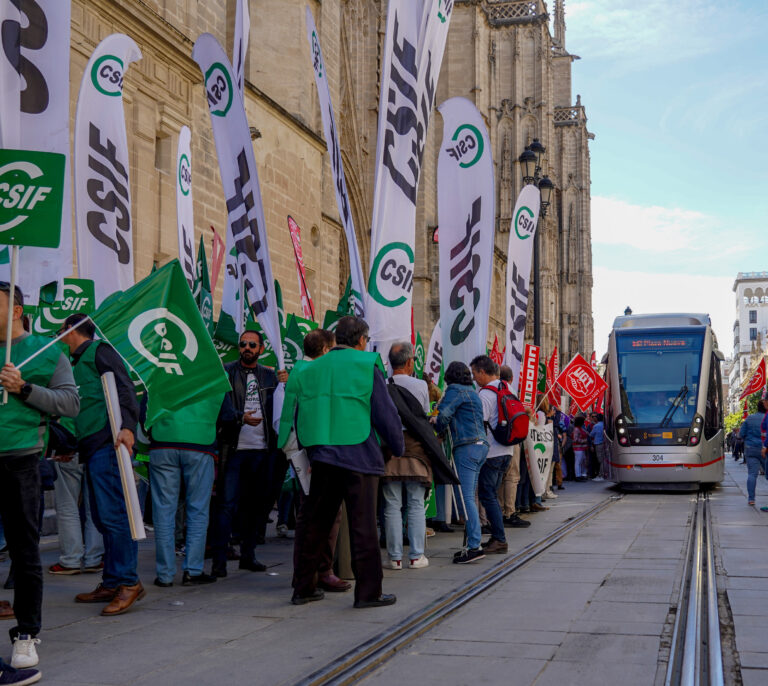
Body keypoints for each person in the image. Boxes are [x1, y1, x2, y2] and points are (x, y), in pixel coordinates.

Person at [282, 316, 404, 607]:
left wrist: (309, 452)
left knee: (314, 525)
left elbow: (301, 413)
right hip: (358, 452)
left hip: (322, 455)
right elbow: (383, 411)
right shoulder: (365, 364)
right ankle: (368, 593)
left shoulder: (311, 368)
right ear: (362, 340)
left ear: (336, 340)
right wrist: (397, 445)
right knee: (363, 527)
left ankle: (303, 587)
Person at [0, 282, 80, 680]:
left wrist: (24, 388)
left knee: (25, 553)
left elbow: (70, 403)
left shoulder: (48, 352)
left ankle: (26, 634)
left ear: (15, 310)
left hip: (21, 464)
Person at [59, 313, 143, 617]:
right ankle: (112, 580)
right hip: (91, 446)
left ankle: (129, 582)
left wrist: (129, 427)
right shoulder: (77, 362)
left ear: (69, 331)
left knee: (115, 515)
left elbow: (125, 388)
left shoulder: (100, 351)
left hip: (109, 444)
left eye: (61, 332)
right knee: (102, 516)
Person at [211, 329, 287, 577]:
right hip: (233, 449)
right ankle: (219, 561)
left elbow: (282, 407)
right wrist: (238, 417)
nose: (247, 348)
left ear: (261, 349)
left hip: (262, 451)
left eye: (252, 345)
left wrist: (287, 382)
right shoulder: (227, 371)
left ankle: (248, 555)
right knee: (226, 506)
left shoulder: (269, 376)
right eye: (243, 344)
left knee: (255, 507)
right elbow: (218, 409)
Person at [143, 391, 236, 587]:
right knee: (198, 510)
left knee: (163, 511)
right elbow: (227, 416)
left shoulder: (159, 367)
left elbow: (144, 412)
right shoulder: (214, 371)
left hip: (163, 442)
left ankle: (165, 574)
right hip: (200, 443)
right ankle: (192, 571)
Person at [286, 329, 351, 593]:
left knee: (309, 514)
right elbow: (309, 415)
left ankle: (309, 573)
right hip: (315, 453)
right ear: (325, 350)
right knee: (323, 514)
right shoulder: (314, 374)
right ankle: (319, 571)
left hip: (304, 451)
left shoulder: (298, 372)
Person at [433, 361, 488, 564]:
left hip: (466, 446)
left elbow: (444, 415)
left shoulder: (454, 390)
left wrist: (436, 425)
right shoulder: (472, 392)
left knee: (465, 499)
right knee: (471, 497)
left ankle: (474, 546)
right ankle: (471, 544)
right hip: (480, 445)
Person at [470, 355, 515, 554]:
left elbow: (479, 423)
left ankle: (499, 539)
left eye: (474, 374)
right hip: (508, 450)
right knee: (492, 495)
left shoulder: (485, 395)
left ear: (482, 371)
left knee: (487, 495)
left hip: (492, 451)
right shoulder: (507, 388)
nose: (473, 378)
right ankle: (497, 537)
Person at [48, 418, 104, 576]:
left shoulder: (63, 391)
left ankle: (70, 560)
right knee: (94, 506)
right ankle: (94, 558)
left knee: (67, 506)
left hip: (67, 445)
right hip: (94, 444)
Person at [739, 400, 767, 506]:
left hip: (751, 448)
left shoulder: (749, 418)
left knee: (752, 474)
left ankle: (751, 499)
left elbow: (741, 434)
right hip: (765, 449)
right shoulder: (766, 418)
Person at [572, 415, 590, 481]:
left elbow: (587, 433)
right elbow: (575, 439)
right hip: (578, 448)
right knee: (578, 462)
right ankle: (578, 475)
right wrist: (583, 441)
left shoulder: (580, 428)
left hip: (582, 448)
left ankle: (581, 474)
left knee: (582, 462)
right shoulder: (576, 429)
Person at [589, 413, 606, 481]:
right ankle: (602, 473)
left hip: (598, 444)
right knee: (603, 459)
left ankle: (601, 474)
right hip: (604, 443)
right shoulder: (605, 425)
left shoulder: (596, 426)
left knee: (600, 460)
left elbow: (591, 434)